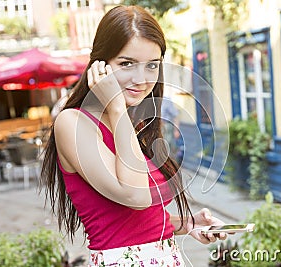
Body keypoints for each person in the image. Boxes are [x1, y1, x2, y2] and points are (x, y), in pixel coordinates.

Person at [40, 5, 227, 266]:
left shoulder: (131, 123)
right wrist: (116, 107)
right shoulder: (73, 123)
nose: (141, 79)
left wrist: (189, 223)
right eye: (127, 63)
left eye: (152, 65)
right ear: (99, 65)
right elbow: (135, 197)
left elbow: (132, 219)